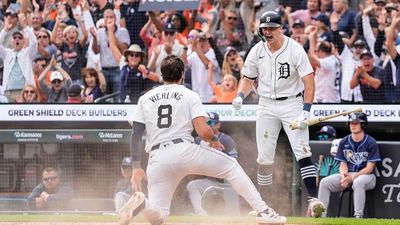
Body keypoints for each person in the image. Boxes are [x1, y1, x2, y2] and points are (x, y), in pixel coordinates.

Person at [119, 55, 286, 225]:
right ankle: (263, 211)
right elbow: (202, 130)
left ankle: (142, 203)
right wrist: (214, 139)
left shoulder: (145, 98)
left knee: (159, 216)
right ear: (182, 74)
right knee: (231, 166)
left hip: (157, 158)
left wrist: (136, 167)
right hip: (183, 150)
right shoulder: (189, 95)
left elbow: (136, 135)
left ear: (162, 74)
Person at [231, 11, 325, 217]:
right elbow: (247, 78)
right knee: (264, 157)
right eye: (265, 29)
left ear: (280, 28)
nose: (268, 32)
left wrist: (305, 111)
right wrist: (240, 95)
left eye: (272, 28)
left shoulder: (295, 49)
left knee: (302, 150)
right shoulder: (257, 50)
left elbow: (309, 81)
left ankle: (315, 200)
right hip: (266, 104)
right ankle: (262, 206)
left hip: (292, 103)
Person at [316, 112, 381, 218]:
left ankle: (358, 215)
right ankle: (320, 215)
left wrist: (352, 177)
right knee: (324, 182)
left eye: (356, 123)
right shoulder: (344, 141)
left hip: (367, 177)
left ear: (363, 125)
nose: (353, 125)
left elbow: (369, 168)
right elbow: (343, 163)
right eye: (351, 123)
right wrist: (344, 177)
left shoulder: (371, 142)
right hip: (348, 174)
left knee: (358, 182)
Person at [186, 112, 241, 216]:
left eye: (212, 122)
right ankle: (201, 216)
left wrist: (216, 156)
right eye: (207, 123)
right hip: (210, 180)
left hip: (226, 181)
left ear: (218, 125)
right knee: (192, 186)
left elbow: (234, 162)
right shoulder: (198, 140)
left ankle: (234, 216)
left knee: (235, 185)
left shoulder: (226, 140)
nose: (209, 125)